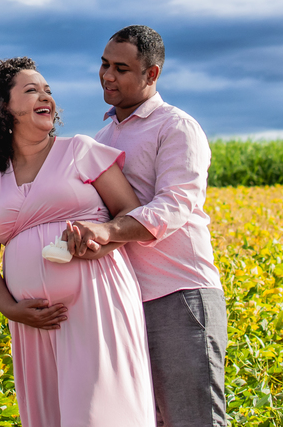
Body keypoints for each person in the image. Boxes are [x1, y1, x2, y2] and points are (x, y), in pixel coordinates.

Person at [0, 57, 155, 427]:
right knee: (50, 416)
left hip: (96, 303)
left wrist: (99, 240)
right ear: (4, 108)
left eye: (48, 90)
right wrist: (10, 308)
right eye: (31, 89)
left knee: (101, 414)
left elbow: (131, 215)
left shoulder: (80, 151)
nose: (45, 95)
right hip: (32, 323)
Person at [65, 26, 227, 427]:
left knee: (194, 420)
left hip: (180, 294)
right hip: (124, 300)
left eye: (121, 68)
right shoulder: (101, 138)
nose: (107, 76)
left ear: (152, 75)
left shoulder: (176, 127)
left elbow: (176, 205)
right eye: (104, 64)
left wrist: (109, 233)